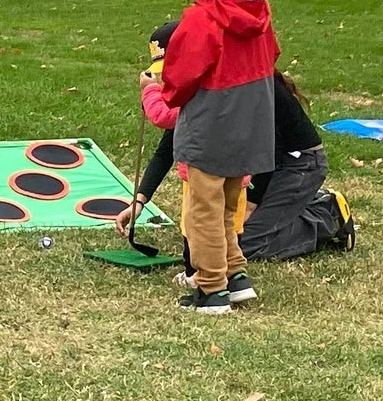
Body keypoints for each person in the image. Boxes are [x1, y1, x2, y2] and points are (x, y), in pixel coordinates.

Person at [124, 22, 352, 274]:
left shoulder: (242, 85)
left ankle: (327, 215)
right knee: (221, 237)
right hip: (259, 163)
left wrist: (252, 203)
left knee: (244, 245)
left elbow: (267, 148)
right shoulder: (200, 86)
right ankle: (290, 209)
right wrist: (140, 200)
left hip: (296, 164)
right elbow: (171, 144)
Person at [150, 0, 279, 316]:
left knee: (202, 210)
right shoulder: (257, 7)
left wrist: (159, 91)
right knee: (227, 204)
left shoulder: (202, 19)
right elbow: (272, 55)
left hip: (212, 125)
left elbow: (180, 75)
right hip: (252, 122)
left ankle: (211, 288)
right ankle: (235, 275)